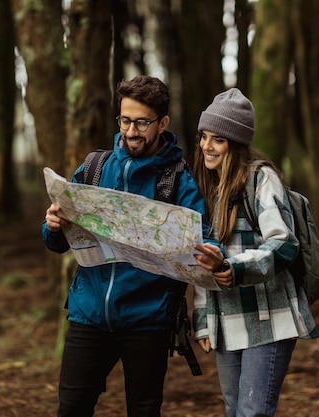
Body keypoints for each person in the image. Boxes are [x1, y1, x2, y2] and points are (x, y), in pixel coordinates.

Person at [42, 75, 223, 417]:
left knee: (143, 410)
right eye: (125, 120)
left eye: (142, 122)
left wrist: (214, 256)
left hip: (147, 319)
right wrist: (53, 226)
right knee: (72, 408)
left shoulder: (177, 180)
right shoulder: (95, 167)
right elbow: (56, 242)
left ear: (162, 123)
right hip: (88, 314)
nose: (131, 131)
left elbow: (204, 240)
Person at [190, 88, 319, 417]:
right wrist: (204, 323)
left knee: (252, 411)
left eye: (217, 139)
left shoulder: (262, 180)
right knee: (235, 410)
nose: (206, 146)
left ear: (234, 143)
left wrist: (234, 268)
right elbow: (202, 262)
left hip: (268, 317)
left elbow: (283, 244)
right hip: (226, 319)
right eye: (203, 137)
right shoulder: (207, 189)